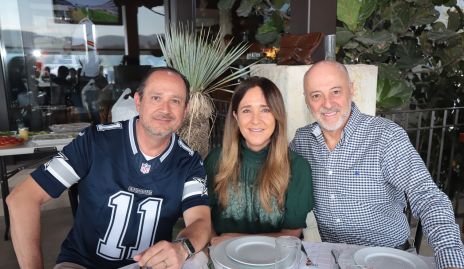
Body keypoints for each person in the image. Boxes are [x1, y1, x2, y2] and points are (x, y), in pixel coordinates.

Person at [6, 67, 211, 269]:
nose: (165, 109)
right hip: (81, 264)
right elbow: (22, 199)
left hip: (147, 266)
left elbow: (201, 220)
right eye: (156, 98)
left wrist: (182, 248)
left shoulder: (189, 161)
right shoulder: (95, 141)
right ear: (138, 102)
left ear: (185, 110)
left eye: (175, 101)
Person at [289, 60, 464, 269]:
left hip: (389, 258)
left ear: (351, 89)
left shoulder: (386, 137)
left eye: (336, 91)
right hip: (333, 257)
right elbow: (276, 176)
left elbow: (427, 197)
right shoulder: (303, 141)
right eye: (316, 95)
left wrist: (451, 262)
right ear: (307, 100)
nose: (327, 103)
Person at [204, 76, 313, 246]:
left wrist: (233, 240)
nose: (256, 120)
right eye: (247, 110)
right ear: (235, 116)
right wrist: (214, 245)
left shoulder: (297, 167)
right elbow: (203, 218)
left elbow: (291, 234)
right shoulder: (215, 160)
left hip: (276, 261)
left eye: (265, 110)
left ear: (277, 115)